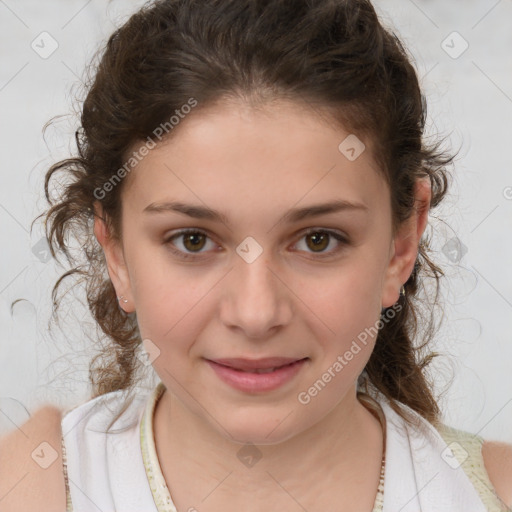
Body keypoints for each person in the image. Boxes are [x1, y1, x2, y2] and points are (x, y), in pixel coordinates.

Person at [1, 0, 511, 511]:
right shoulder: (27, 487)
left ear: (402, 245)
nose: (256, 313)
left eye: (318, 239)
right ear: (115, 251)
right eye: (193, 241)